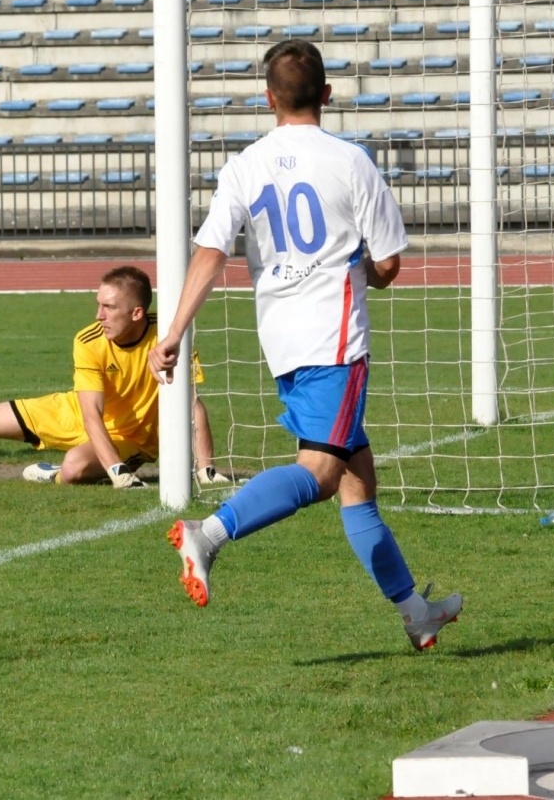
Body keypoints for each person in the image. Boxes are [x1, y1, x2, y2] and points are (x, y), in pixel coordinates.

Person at [150, 39, 462, 650]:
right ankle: (207, 534)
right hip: (334, 339)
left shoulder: (244, 164)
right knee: (320, 473)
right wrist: (364, 272)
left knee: (355, 480)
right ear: (326, 94)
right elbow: (392, 262)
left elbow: (210, 255)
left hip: (282, 340)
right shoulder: (351, 160)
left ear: (268, 100)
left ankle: (414, 611)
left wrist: (174, 332)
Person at [0, 265, 232, 489]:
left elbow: (192, 406)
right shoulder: (88, 340)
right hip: (72, 412)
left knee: (72, 469)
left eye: (108, 307)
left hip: (131, 437)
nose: (98, 314)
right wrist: (116, 471)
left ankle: (51, 474)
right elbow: (89, 415)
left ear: (136, 314)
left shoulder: (168, 336)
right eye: (97, 304)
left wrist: (206, 469)